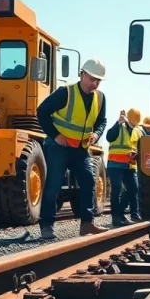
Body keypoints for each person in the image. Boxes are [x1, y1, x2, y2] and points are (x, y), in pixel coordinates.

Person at [35, 59, 109, 240]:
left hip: (81, 148)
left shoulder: (100, 98)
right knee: (53, 185)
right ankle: (46, 226)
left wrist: (96, 135)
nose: (95, 83)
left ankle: (87, 224)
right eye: (92, 78)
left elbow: (102, 121)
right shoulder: (65, 93)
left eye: (98, 80)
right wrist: (55, 135)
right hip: (58, 147)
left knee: (89, 182)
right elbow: (42, 112)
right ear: (82, 74)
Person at [106, 108, 143, 226]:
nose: (133, 126)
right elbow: (109, 137)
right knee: (116, 190)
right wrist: (118, 122)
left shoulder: (138, 131)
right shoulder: (119, 127)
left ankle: (134, 215)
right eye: (131, 123)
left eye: (135, 124)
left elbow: (140, 148)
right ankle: (116, 218)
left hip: (130, 166)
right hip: (115, 164)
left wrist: (137, 154)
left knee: (134, 189)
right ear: (127, 119)